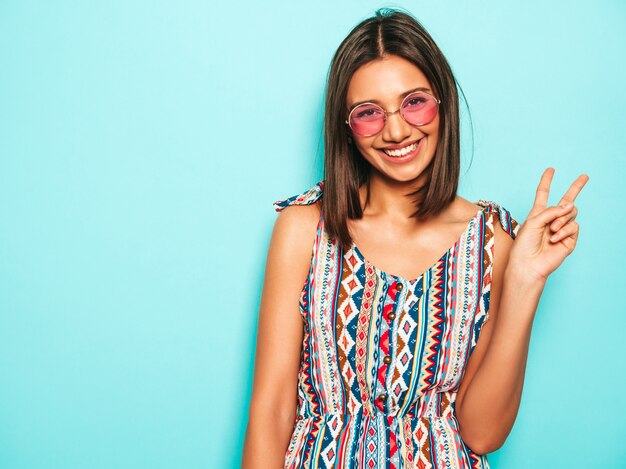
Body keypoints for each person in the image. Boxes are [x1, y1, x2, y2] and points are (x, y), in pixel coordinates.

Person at [241, 8, 588, 469]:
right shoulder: (306, 228)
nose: (398, 130)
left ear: (441, 101)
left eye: (414, 102)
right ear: (346, 127)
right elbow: (271, 411)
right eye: (369, 113)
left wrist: (525, 281)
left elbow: (482, 434)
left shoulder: (495, 242)